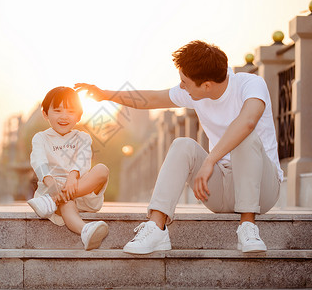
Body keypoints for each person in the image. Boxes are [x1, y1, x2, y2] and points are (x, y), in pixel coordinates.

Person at [75, 40, 283, 254]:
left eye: (185, 81)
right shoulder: (194, 92)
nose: (181, 86)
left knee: (244, 136)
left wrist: (210, 160)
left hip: (262, 191)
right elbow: (151, 98)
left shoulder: (250, 84)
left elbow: (247, 122)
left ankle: (247, 226)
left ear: (207, 85)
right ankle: (157, 228)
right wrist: (105, 94)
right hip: (221, 190)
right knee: (182, 144)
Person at [27, 86, 110, 250]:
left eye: (71, 111)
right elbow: (38, 161)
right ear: (45, 114)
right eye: (57, 110)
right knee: (67, 203)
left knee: (102, 169)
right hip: (53, 189)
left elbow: (83, 159)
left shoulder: (83, 137)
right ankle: (86, 230)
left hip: (80, 189)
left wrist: (73, 177)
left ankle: (54, 201)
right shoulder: (41, 138)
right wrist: (51, 184)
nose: (64, 116)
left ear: (79, 116)